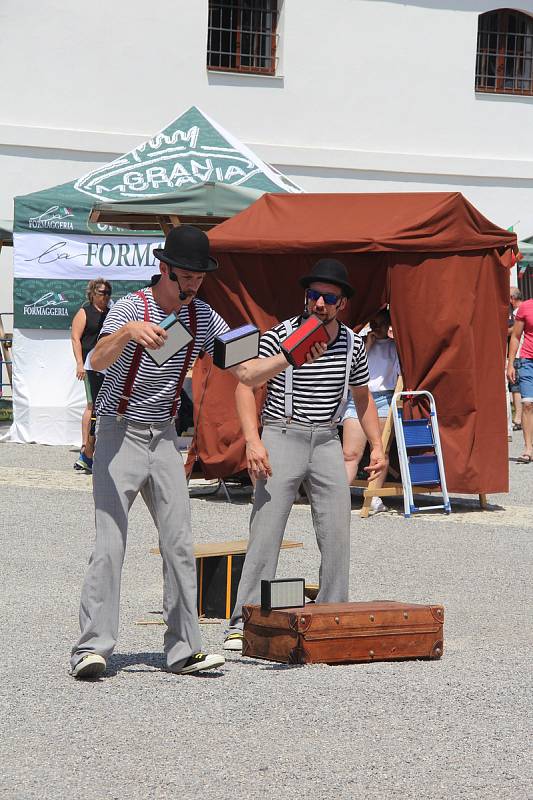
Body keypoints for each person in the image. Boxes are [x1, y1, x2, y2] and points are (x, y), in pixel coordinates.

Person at [70, 225, 230, 679]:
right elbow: (95, 361)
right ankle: (91, 648)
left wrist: (288, 355)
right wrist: (129, 333)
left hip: (163, 437)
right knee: (110, 543)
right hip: (119, 431)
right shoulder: (129, 307)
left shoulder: (202, 315)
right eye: (188, 273)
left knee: (179, 543)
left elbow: (246, 366)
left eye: (201, 275)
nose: (195, 282)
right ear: (164, 269)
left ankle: (183, 650)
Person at [223, 258, 387, 652]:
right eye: (314, 295)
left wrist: (378, 445)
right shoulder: (278, 334)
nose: (319, 303)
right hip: (281, 432)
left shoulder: (351, 344)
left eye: (329, 298)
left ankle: (332, 613)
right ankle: (241, 621)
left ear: (342, 303)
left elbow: (362, 400)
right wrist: (252, 439)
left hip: (327, 439)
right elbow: (246, 386)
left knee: (337, 530)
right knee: (265, 532)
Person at [341, 308, 401, 515]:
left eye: (381, 323)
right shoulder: (361, 343)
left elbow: (400, 373)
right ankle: (338, 497)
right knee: (350, 453)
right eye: (373, 323)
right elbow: (350, 368)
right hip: (357, 397)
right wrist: (367, 345)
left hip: (384, 397)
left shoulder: (395, 347)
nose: (377, 327)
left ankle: (374, 497)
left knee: (380, 451)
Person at [70, 278, 112, 473]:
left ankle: (98, 449)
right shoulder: (85, 312)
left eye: (108, 293)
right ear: (93, 294)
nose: (106, 296)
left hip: (107, 367)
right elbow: (75, 338)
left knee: (103, 405)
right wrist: (79, 363)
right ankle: (85, 449)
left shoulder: (111, 314)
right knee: (91, 404)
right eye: (102, 293)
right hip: (89, 365)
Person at [507, 294, 533, 463]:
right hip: (527, 361)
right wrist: (510, 364)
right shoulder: (525, 307)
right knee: (527, 404)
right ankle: (528, 448)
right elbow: (516, 336)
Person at [508, 287, 523, 431]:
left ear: (512, 298)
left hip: (519, 354)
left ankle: (518, 419)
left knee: (516, 387)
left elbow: (515, 330)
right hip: (522, 354)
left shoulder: (519, 312)